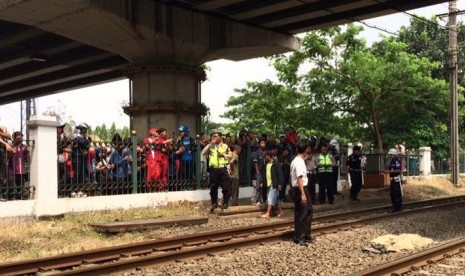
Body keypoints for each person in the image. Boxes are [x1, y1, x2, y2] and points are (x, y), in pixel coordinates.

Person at [202, 131, 232, 212]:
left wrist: (224, 155)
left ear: (220, 137)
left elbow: (231, 155)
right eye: (213, 136)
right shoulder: (211, 146)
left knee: (226, 187)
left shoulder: (225, 146)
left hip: (222, 168)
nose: (214, 138)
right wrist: (210, 144)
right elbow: (203, 152)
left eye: (216, 136)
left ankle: (225, 203)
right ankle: (214, 203)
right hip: (213, 169)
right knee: (213, 188)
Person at [290, 142, 313, 246]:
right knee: (303, 213)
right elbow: (299, 177)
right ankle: (299, 237)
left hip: (299, 188)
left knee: (307, 211)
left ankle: (306, 234)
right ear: (305, 150)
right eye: (308, 149)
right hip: (301, 188)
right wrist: (302, 194)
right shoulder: (299, 162)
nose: (309, 152)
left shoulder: (296, 160)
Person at [261, 150, 284, 219]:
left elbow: (280, 174)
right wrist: (263, 182)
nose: (264, 158)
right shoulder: (266, 164)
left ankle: (268, 213)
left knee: (270, 198)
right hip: (268, 184)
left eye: (265, 157)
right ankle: (281, 212)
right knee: (276, 199)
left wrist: (280, 183)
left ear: (268, 156)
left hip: (274, 184)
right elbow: (265, 175)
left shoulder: (276, 163)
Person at [384, 148, 403, 212]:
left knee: (396, 194)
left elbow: (398, 170)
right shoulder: (392, 161)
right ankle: (395, 207)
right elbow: (390, 169)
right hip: (392, 180)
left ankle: (398, 208)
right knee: (392, 194)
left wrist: (389, 172)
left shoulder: (397, 161)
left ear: (394, 155)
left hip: (396, 180)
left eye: (391, 154)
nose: (390, 156)